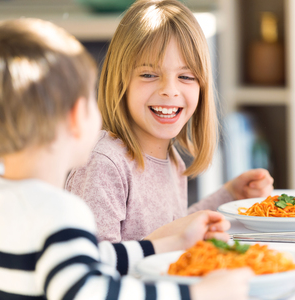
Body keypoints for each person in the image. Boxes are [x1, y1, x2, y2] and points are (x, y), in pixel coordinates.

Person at [0, 18, 253, 300]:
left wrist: (171, 244)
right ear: (76, 117)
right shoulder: (59, 213)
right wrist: (196, 295)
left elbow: (92, 258)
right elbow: (93, 293)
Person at [66, 0, 274, 243]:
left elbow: (172, 229)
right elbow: (97, 261)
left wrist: (228, 196)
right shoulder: (104, 164)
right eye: (149, 75)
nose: (169, 90)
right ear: (120, 82)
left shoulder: (171, 160)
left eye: (185, 76)